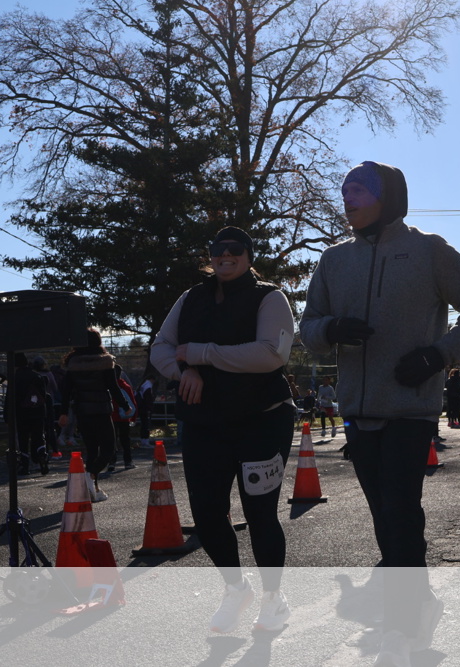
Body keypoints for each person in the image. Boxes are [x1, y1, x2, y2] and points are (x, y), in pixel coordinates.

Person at [299, 160, 460, 662]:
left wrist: (439, 355)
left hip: (411, 407)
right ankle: (419, 605)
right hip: (358, 410)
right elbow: (308, 326)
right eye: (344, 190)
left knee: (401, 512)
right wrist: (330, 329)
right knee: (384, 516)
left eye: (358, 190)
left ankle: (404, 627)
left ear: (387, 196)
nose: (348, 197)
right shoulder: (333, 259)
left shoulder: (429, 250)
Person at [150, 226, 295, 634]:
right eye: (218, 249)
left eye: (235, 249)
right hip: (204, 423)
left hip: (262, 420)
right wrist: (183, 371)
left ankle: (273, 599)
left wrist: (202, 355)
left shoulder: (270, 297)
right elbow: (161, 347)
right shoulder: (190, 297)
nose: (225, 255)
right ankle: (236, 589)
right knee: (207, 513)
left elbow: (271, 353)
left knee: (259, 513)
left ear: (249, 256)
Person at [58, 329, 125, 502]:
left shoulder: (73, 363)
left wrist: (63, 412)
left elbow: (66, 391)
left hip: (82, 411)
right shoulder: (105, 361)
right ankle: (90, 475)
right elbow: (114, 388)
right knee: (109, 449)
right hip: (102, 410)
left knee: (92, 450)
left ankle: (92, 489)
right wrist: (126, 405)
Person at [14, 353, 49, 476]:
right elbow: (43, 396)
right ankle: (42, 454)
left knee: (23, 439)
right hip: (38, 411)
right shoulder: (37, 376)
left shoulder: (16, 377)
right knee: (38, 436)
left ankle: (25, 465)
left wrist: (8, 415)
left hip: (22, 412)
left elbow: (11, 397)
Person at [109, 364, 137, 471]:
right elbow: (133, 402)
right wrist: (133, 417)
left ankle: (111, 462)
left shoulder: (108, 386)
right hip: (124, 416)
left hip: (111, 416)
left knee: (112, 440)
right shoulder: (125, 386)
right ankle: (128, 461)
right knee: (125, 439)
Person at [135, 373, 156, 447]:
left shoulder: (143, 385)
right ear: (152, 379)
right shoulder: (148, 386)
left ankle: (143, 440)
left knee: (143, 424)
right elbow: (148, 398)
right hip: (145, 408)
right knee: (146, 425)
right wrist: (150, 408)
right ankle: (146, 441)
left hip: (141, 407)